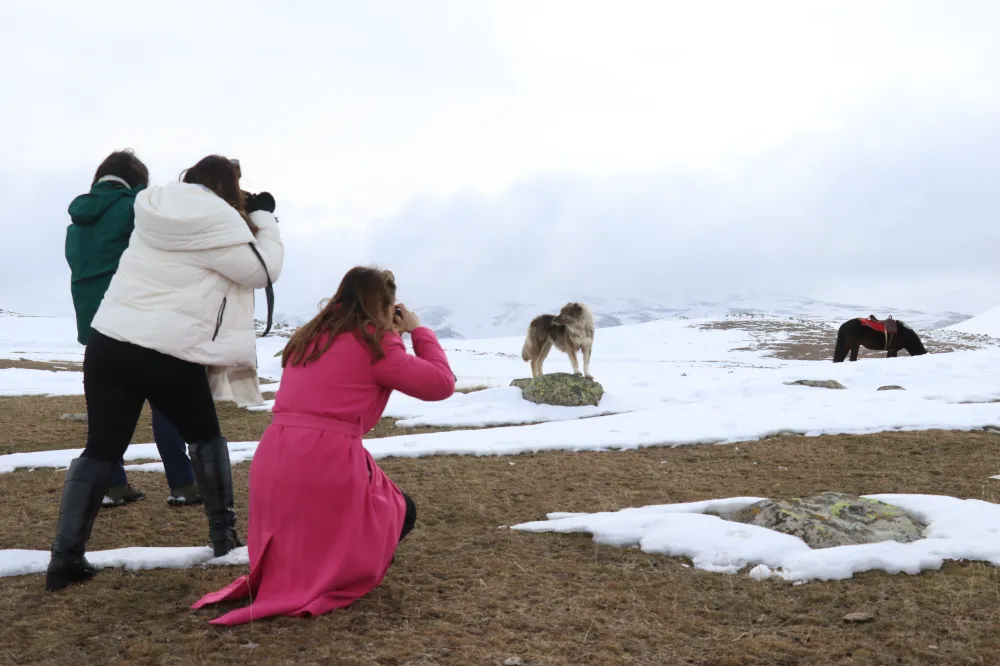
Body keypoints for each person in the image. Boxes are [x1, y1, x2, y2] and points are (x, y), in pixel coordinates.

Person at [46, 155, 284, 592]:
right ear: (228, 190)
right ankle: (222, 538)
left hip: (108, 341)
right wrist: (263, 217)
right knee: (205, 435)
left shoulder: (151, 206)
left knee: (101, 448)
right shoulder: (217, 220)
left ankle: (65, 557)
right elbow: (262, 270)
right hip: (165, 350)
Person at [191, 267, 455, 625]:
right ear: (385, 305)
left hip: (276, 451)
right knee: (398, 510)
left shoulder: (313, 335)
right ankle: (345, 572)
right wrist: (418, 330)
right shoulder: (377, 343)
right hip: (326, 457)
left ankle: (308, 574)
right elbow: (440, 384)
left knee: (301, 531)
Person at [65, 149, 201, 508]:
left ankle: (113, 485)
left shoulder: (77, 225)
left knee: (107, 411)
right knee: (165, 401)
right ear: (136, 179)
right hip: (140, 316)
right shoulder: (135, 206)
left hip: (98, 328)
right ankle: (184, 483)